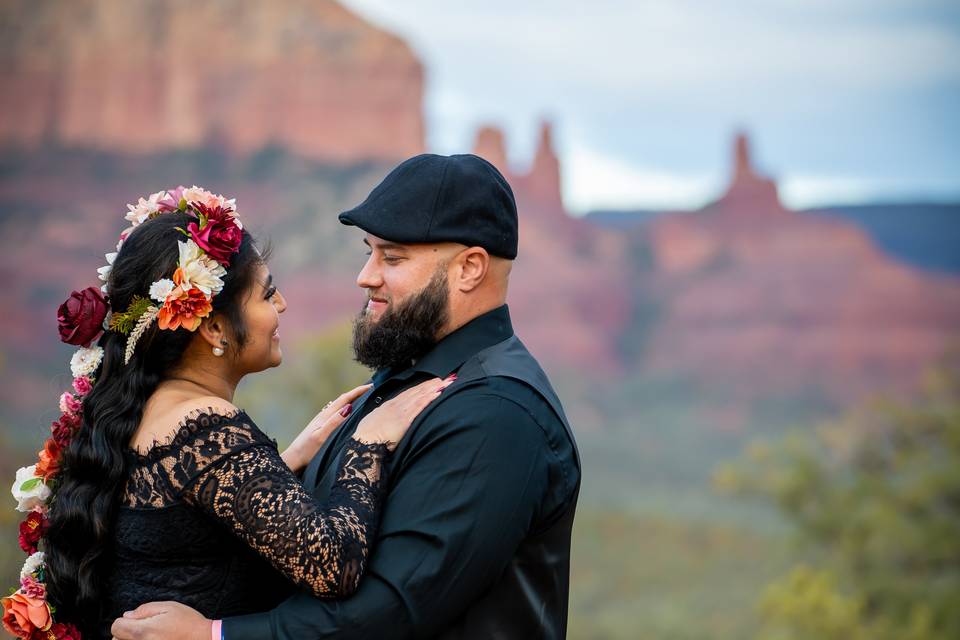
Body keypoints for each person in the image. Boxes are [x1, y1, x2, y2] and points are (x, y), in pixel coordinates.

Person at [111, 154, 582, 640]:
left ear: (469, 269)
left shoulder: (494, 413)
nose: (366, 275)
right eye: (368, 251)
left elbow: (389, 611)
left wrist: (213, 636)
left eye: (392, 257)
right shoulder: (403, 382)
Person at [2, 187, 449, 640]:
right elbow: (334, 565)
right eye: (267, 295)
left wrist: (281, 462)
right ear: (214, 326)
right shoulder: (205, 427)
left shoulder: (148, 411)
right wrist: (367, 443)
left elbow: (186, 529)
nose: (282, 306)